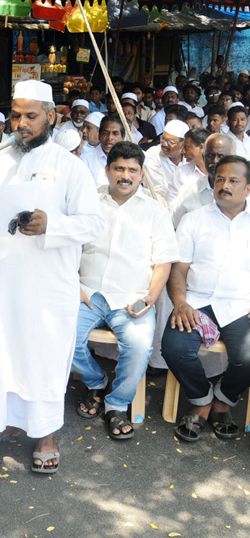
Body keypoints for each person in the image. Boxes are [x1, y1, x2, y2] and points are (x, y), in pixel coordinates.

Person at [0, 79, 104, 473]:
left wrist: (50, 226)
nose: (21, 123)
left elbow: (93, 224)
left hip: (44, 284)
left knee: (40, 358)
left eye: (31, 116)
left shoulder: (69, 167)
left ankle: (44, 435)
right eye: (16, 115)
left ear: (50, 117)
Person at [72, 141, 178, 440]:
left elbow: (164, 261)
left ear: (142, 174)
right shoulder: (88, 204)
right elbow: (69, 249)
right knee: (62, 336)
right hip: (88, 292)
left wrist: (151, 298)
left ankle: (116, 404)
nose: (125, 175)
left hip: (133, 297)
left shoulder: (155, 212)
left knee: (140, 346)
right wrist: (73, 284)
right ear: (107, 171)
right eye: (119, 168)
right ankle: (96, 381)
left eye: (133, 170)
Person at [161, 155, 250, 443]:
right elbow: (179, 269)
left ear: (247, 188)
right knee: (174, 348)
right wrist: (180, 302)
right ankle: (201, 399)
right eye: (220, 179)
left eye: (234, 181)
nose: (224, 185)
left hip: (241, 305)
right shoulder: (193, 219)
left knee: (247, 356)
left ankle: (224, 400)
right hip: (197, 302)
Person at [170, 133, 235, 227]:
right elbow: (174, 225)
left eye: (220, 156)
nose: (215, 161)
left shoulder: (245, 193)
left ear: (233, 159)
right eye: (210, 156)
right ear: (203, 157)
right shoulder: (189, 191)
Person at [144, 120, 190, 204]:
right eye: (163, 139)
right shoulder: (153, 154)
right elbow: (157, 190)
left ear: (183, 144)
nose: (164, 144)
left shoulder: (189, 158)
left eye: (171, 142)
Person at [81, 114, 125, 186]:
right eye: (105, 133)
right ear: (99, 136)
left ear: (123, 137)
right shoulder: (86, 160)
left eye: (115, 134)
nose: (109, 138)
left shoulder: (131, 159)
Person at [169, 128, 210, 204]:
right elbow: (171, 202)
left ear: (201, 147)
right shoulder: (181, 172)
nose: (183, 151)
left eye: (187, 147)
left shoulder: (219, 172)